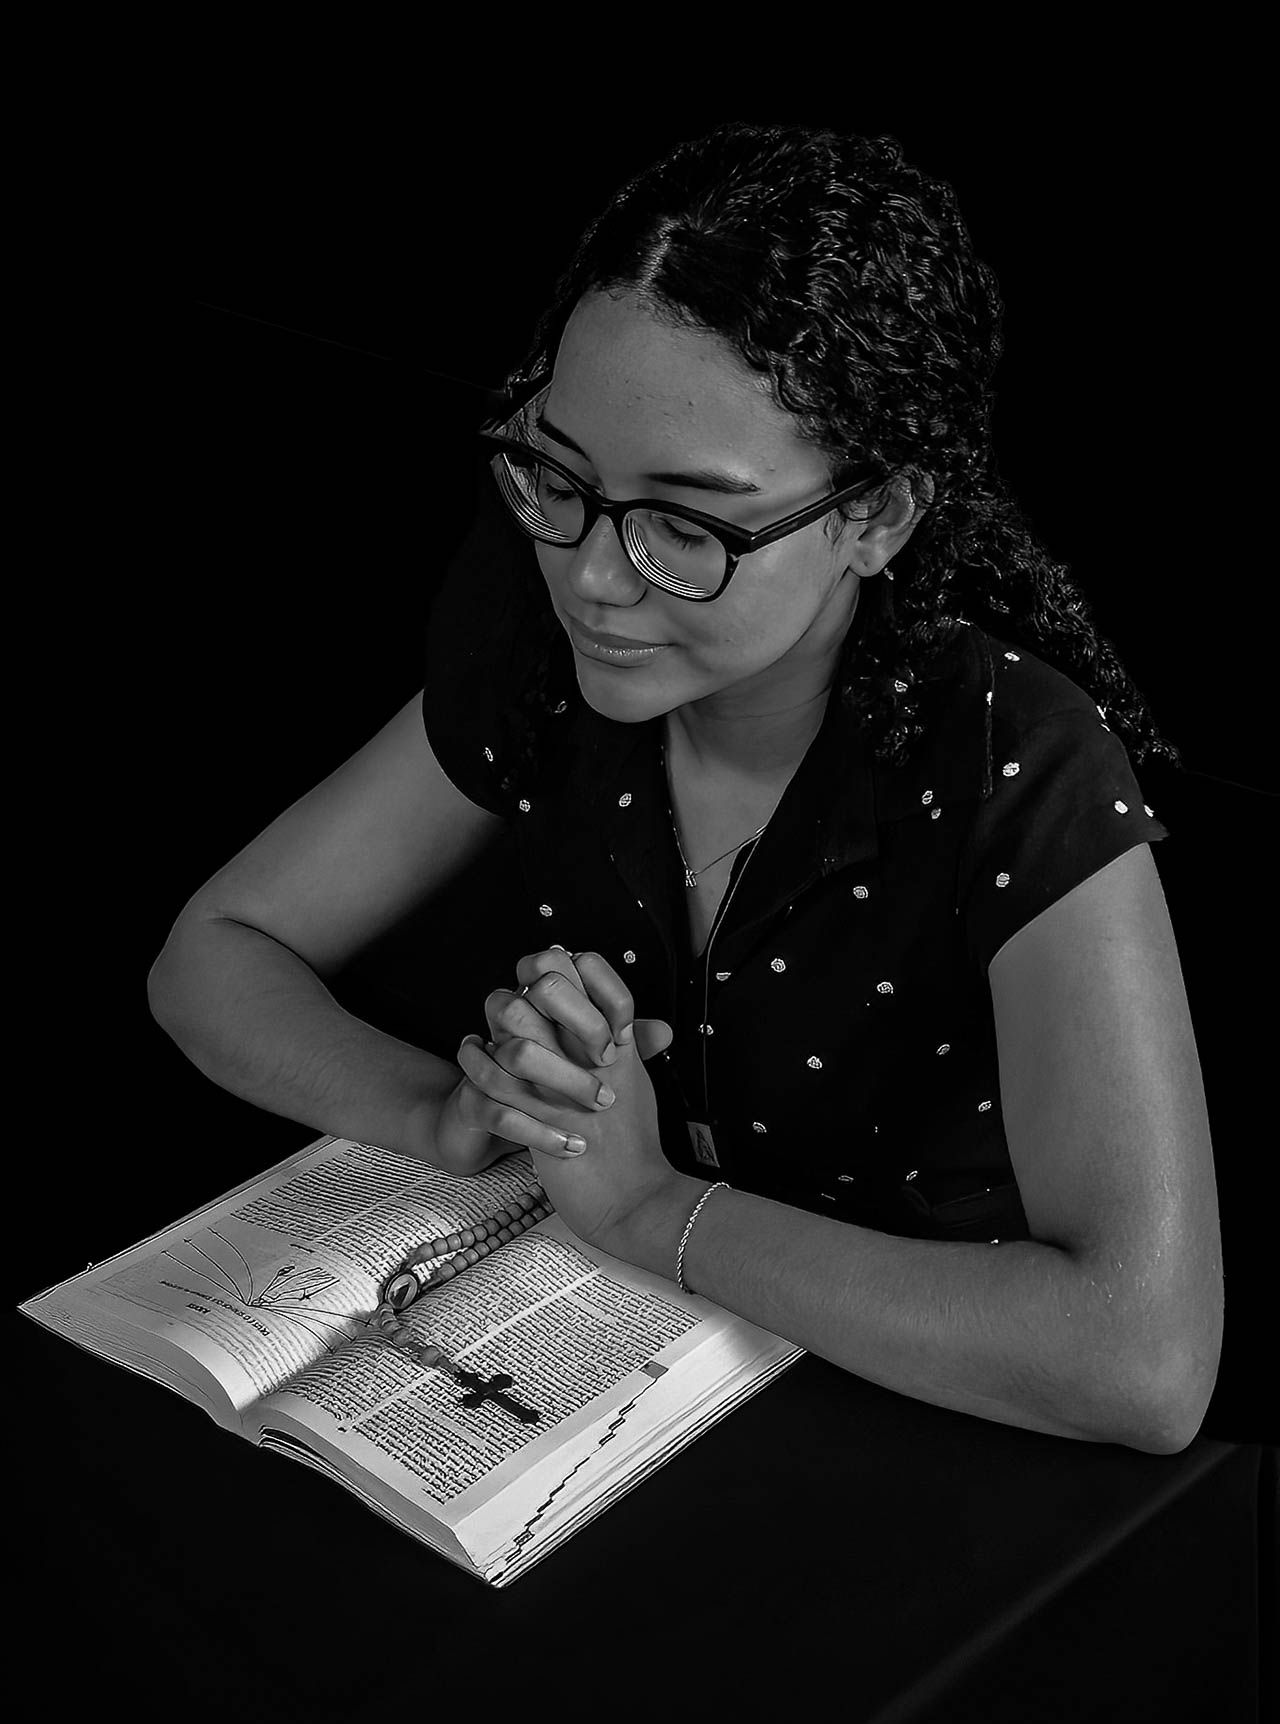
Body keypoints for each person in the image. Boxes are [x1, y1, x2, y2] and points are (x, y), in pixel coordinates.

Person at [150, 123, 1222, 1454]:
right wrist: (451, 1114)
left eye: (687, 523)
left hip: (924, 1435)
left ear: (876, 515)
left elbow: (1144, 1363)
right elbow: (213, 952)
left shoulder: (1018, 760)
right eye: (559, 476)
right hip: (618, 1389)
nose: (594, 577)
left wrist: (651, 1209)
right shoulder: (549, 641)